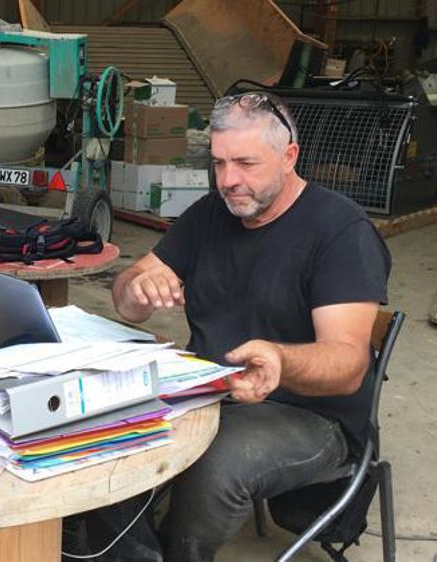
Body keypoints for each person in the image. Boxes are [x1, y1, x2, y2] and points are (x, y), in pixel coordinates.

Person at [110, 91, 391, 560]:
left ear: (289, 157)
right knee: (100, 426)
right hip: (211, 389)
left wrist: (281, 359)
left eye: (245, 163)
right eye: (218, 164)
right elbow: (127, 299)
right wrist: (138, 286)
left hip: (313, 416)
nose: (229, 181)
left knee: (216, 461)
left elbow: (348, 364)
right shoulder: (208, 215)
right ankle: (126, 551)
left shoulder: (341, 231)